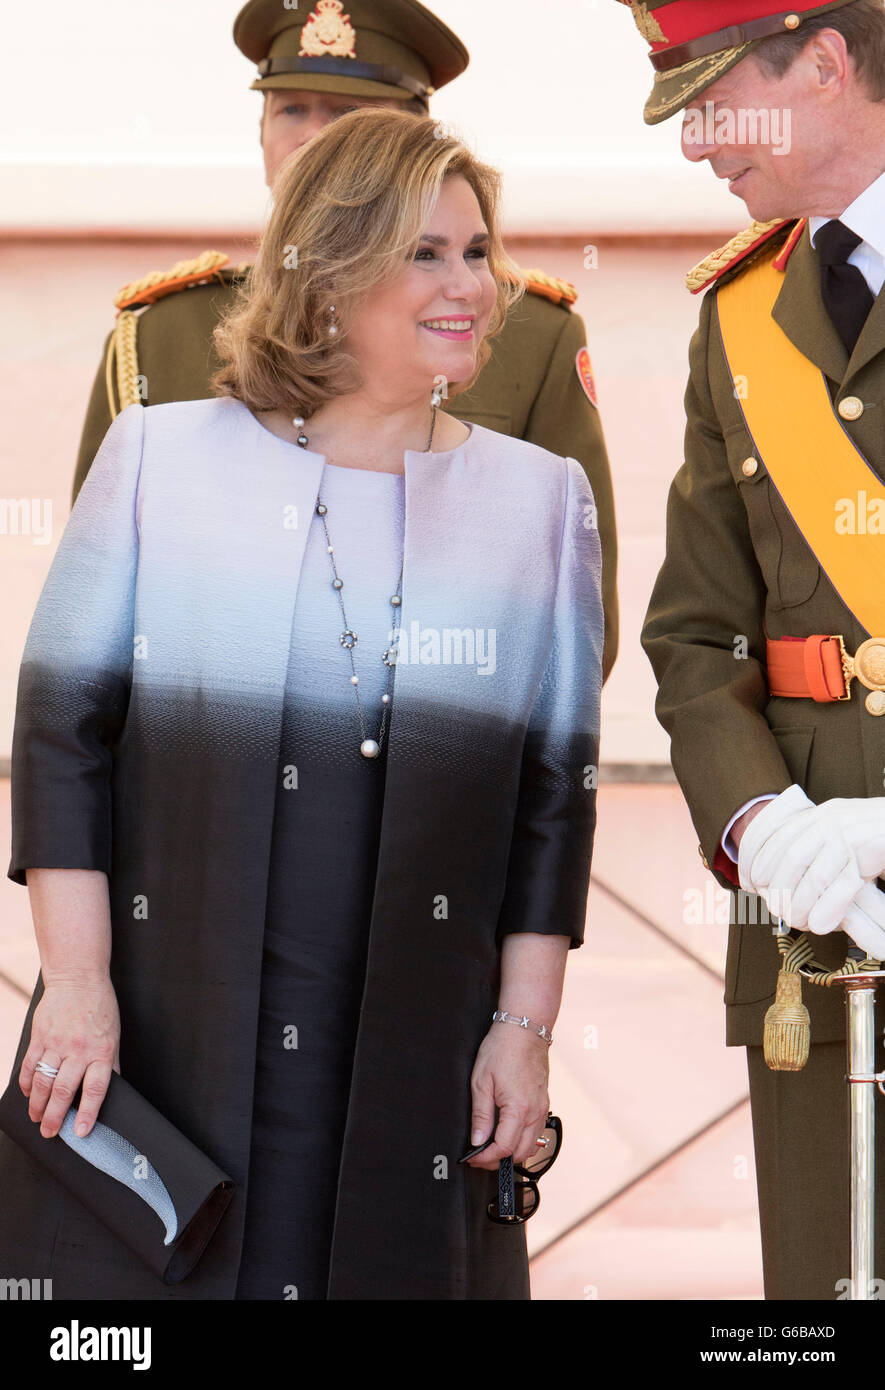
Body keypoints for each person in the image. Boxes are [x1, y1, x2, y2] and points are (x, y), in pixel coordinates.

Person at [0, 108, 604, 1301]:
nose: (472, 287)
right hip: (170, 1026)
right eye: (425, 253)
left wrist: (523, 1032)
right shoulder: (159, 458)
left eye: (477, 251)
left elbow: (554, 796)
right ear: (327, 273)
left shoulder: (542, 500)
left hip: (418, 1042)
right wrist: (74, 982)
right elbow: (61, 734)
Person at [71, 0, 619, 683]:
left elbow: (574, 627)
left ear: (415, 143)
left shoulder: (521, 330)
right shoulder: (159, 333)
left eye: (346, 117)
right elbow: (94, 629)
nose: (311, 139)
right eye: (290, 110)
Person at [629, 0, 885, 1298]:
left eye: (717, 103)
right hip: (815, 933)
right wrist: (759, 820)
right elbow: (693, 630)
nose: (695, 148)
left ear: (827, 61)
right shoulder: (739, 317)